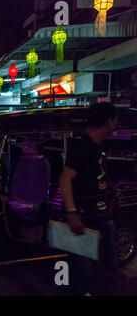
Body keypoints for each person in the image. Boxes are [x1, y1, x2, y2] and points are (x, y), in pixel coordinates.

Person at [59, 103, 124, 295]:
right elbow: (64, 179)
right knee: (81, 266)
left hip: (98, 214)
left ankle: (104, 276)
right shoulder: (83, 146)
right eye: (115, 119)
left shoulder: (94, 146)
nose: (117, 123)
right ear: (108, 121)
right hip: (84, 215)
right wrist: (72, 213)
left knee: (95, 261)